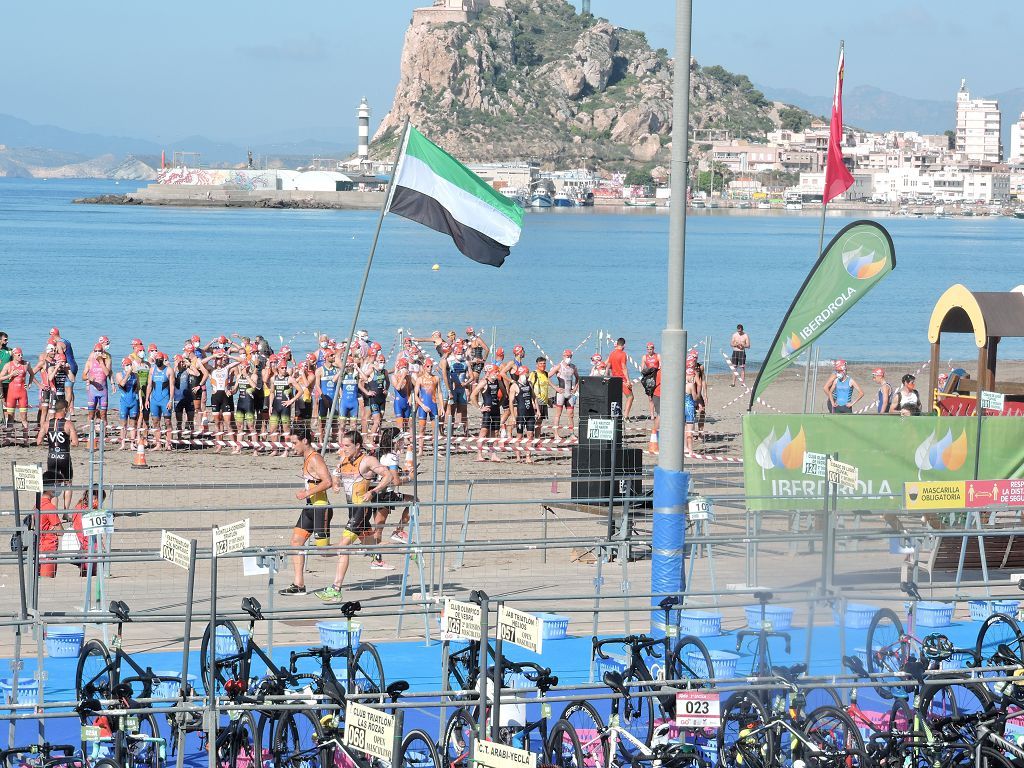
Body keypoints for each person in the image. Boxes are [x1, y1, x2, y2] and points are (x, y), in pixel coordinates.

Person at [315, 430, 393, 602]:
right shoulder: (344, 460)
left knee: (343, 546)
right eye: (343, 445)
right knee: (372, 545)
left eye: (348, 446)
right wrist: (336, 485)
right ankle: (410, 551)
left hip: (362, 508)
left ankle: (336, 588)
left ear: (358, 445)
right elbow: (335, 474)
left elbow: (387, 476)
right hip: (352, 509)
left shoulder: (367, 461)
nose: (345, 448)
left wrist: (373, 491)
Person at [279, 423, 334, 596]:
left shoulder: (316, 458)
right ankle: (299, 584)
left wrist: (307, 492)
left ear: (305, 441)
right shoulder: (307, 458)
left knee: (323, 551)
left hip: (320, 508)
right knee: (296, 542)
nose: (292, 446)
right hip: (310, 508)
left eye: (295, 443)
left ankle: (357, 548)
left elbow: (328, 482)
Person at [37, 399, 78, 509]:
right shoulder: (68, 424)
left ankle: (53, 511)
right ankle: (65, 512)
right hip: (64, 456)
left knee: (53, 484)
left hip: (51, 456)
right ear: (64, 409)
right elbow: (75, 443)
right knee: (68, 484)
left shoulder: (46, 424)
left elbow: (38, 441)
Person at [471, 365, 504, 462]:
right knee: (484, 432)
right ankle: (479, 455)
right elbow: (473, 395)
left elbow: (504, 394)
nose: (497, 373)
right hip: (487, 411)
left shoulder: (498, 381)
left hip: (496, 410)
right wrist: (480, 408)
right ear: (490, 372)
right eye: (496, 371)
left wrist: (499, 404)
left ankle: (493, 454)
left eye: (498, 371)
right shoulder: (484, 382)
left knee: (495, 432)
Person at [413, 358, 444, 455]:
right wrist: (422, 405)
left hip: (433, 405)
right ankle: (420, 450)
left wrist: (442, 406)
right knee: (422, 428)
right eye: (428, 366)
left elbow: (439, 393)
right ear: (424, 367)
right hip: (423, 406)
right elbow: (415, 395)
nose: (430, 368)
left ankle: (436, 450)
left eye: (431, 366)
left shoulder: (436, 378)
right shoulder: (420, 379)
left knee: (435, 429)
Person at [0, 347, 33, 438]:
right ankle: (8, 438)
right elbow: (0, 378)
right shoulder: (8, 365)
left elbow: (32, 373)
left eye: (22, 354)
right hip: (12, 393)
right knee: (10, 418)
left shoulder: (26, 364)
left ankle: (26, 438)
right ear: (14, 355)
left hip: (22, 393)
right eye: (18, 355)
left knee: (24, 418)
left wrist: (29, 384)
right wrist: (10, 375)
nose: (21, 356)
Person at [508, 366, 538, 463]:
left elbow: (534, 397)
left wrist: (537, 410)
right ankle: (518, 456)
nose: (528, 375)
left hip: (530, 413)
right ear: (523, 373)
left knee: (530, 435)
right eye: (527, 373)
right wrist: (513, 416)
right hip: (521, 413)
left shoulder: (529, 383)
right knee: (519, 436)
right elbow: (511, 402)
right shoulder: (515, 386)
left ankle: (528, 456)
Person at [146, 352, 175, 450]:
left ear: (163, 360)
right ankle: (158, 444)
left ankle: (168, 443)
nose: (158, 361)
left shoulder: (169, 370)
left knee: (167, 421)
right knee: (155, 421)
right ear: (154, 360)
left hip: (165, 399)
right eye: (156, 359)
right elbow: (149, 385)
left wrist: (170, 400)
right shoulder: (152, 370)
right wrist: (147, 399)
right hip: (154, 400)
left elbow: (172, 386)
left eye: (160, 359)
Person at [83, 339, 112, 433]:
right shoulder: (89, 362)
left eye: (99, 351)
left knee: (103, 414)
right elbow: (83, 376)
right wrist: (88, 378)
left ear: (103, 352)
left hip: (103, 391)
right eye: (96, 351)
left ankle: (104, 433)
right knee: (91, 414)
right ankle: (91, 434)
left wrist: (101, 362)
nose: (98, 353)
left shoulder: (106, 360)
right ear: (93, 351)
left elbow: (107, 373)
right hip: (92, 391)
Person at [549, 350, 579, 438]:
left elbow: (578, 378)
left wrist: (575, 388)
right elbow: (546, 377)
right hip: (560, 393)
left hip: (569, 393)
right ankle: (556, 434)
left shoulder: (573, 367)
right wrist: (555, 387)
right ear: (563, 356)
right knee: (558, 414)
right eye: (567, 356)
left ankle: (572, 433)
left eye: (570, 356)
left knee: (571, 414)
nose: (568, 358)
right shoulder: (559, 366)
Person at [115, 357, 139, 450]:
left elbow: (138, 389)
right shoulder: (119, 374)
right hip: (124, 402)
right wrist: (128, 373)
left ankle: (132, 443)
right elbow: (122, 384)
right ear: (123, 366)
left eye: (130, 365)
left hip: (133, 401)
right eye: (127, 365)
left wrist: (140, 401)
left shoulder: (135, 375)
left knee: (133, 423)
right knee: (123, 423)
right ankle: (123, 443)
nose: (129, 367)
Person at [606, 337, 633, 419]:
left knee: (615, 397)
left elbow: (608, 366)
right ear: (623, 345)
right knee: (630, 397)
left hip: (614, 379)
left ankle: (614, 414)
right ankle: (626, 416)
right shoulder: (623, 354)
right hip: (622, 379)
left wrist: (607, 376)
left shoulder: (612, 353)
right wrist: (628, 380)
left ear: (617, 344)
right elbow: (624, 367)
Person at [528, 357, 551, 437]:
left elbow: (545, 388)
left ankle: (537, 438)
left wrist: (548, 400)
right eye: (541, 363)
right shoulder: (533, 374)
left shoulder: (546, 374)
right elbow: (529, 388)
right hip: (536, 400)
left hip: (544, 401)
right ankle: (532, 438)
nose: (543, 365)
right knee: (535, 420)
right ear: (537, 365)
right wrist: (532, 401)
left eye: (544, 363)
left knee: (540, 421)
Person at [640, 342, 661, 420]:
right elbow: (642, 369)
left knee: (658, 395)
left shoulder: (657, 356)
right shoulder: (644, 357)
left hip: (657, 376)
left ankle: (658, 412)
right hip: (649, 377)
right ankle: (652, 415)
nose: (649, 351)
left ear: (653, 349)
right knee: (650, 397)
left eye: (651, 349)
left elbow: (661, 366)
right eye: (648, 349)